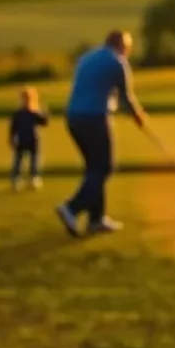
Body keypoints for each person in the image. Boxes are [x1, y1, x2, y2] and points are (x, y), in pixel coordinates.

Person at [56, 31, 147, 237]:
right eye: (128, 48)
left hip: (73, 117)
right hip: (94, 118)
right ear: (122, 46)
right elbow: (126, 98)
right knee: (104, 167)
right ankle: (71, 208)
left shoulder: (87, 57)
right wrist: (138, 116)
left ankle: (96, 220)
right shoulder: (117, 62)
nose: (128, 52)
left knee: (94, 168)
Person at [9, 86, 49, 191]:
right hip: (22, 139)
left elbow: (44, 122)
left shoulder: (34, 113)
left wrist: (44, 113)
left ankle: (33, 178)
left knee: (34, 160)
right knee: (18, 161)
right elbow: (13, 127)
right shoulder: (18, 113)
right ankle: (16, 179)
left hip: (33, 138)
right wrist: (11, 138)